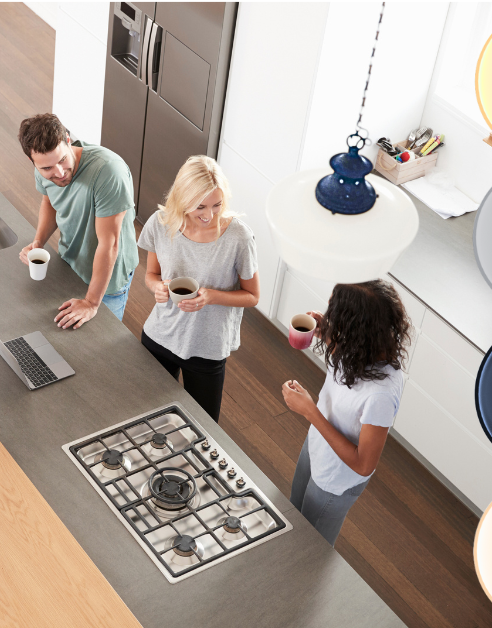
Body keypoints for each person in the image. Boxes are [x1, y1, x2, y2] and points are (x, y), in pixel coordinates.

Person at [280, 280, 412, 547]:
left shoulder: (381, 395)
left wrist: (310, 411)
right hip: (316, 446)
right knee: (293, 514)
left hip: (336, 477)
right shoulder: (358, 348)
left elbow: (364, 464)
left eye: (335, 318)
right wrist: (325, 332)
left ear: (357, 330)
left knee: (308, 546)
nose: (329, 319)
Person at [138, 156, 260, 421]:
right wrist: (156, 287)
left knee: (202, 429)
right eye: (200, 207)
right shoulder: (162, 223)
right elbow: (151, 274)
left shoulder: (239, 237)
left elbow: (252, 296)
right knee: (148, 420)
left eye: (217, 205)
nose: (209, 215)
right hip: (160, 337)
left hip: (207, 348)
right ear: (182, 199)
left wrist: (212, 297)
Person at [16, 113, 139, 328]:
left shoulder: (109, 172)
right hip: (70, 263)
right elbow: (50, 202)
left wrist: (91, 302)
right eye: (47, 168)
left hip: (107, 279)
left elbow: (109, 245)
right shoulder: (44, 169)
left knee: (101, 347)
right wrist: (38, 242)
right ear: (32, 161)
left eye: (62, 160)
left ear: (68, 140)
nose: (60, 172)